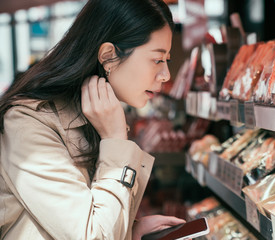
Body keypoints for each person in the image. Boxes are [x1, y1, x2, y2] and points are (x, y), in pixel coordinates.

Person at [0, 0, 186, 239]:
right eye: (157, 59)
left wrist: (130, 229)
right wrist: (115, 138)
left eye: (167, 60)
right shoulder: (27, 124)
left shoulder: (90, 118)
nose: (166, 74)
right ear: (108, 56)